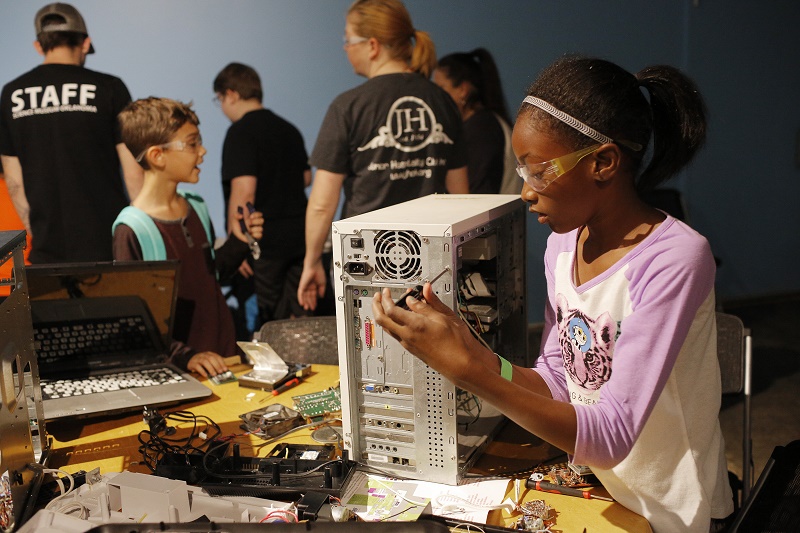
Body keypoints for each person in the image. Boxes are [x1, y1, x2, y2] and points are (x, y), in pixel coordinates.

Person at [372, 56, 734, 532]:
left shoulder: (674, 259)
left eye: (540, 172)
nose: (526, 192)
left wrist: (465, 372)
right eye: (522, 172)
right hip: (602, 487)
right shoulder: (564, 243)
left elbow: (613, 434)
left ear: (603, 162)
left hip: (668, 508)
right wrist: (471, 351)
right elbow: (559, 378)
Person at [297, 0, 469, 312]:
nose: (345, 48)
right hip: (433, 267)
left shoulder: (349, 106)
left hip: (368, 270)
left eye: (348, 40)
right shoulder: (442, 101)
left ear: (372, 45)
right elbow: (462, 196)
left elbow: (323, 204)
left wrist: (311, 263)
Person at [112, 97, 265, 378]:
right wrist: (187, 357)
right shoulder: (131, 229)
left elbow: (210, 274)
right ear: (157, 156)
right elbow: (136, 323)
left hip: (224, 359)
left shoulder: (195, 205)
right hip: (181, 373)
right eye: (192, 143)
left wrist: (240, 241)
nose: (202, 151)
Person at [0, 2, 143, 264]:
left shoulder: (12, 93)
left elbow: (14, 180)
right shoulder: (109, 87)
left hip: (47, 249)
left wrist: (39, 233)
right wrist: (139, 231)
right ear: (85, 43)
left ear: (39, 46)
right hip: (108, 245)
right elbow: (133, 168)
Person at [213, 63, 312, 332]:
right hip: (299, 236)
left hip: (264, 243)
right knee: (300, 319)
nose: (221, 106)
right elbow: (307, 178)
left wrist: (239, 245)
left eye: (219, 99)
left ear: (231, 94)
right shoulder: (289, 129)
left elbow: (245, 192)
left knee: (268, 324)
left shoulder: (240, 132)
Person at [433, 48, 519, 195]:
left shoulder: (482, 130)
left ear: (463, 90)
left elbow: (478, 193)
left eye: (441, 89)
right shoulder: (484, 124)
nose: (436, 98)